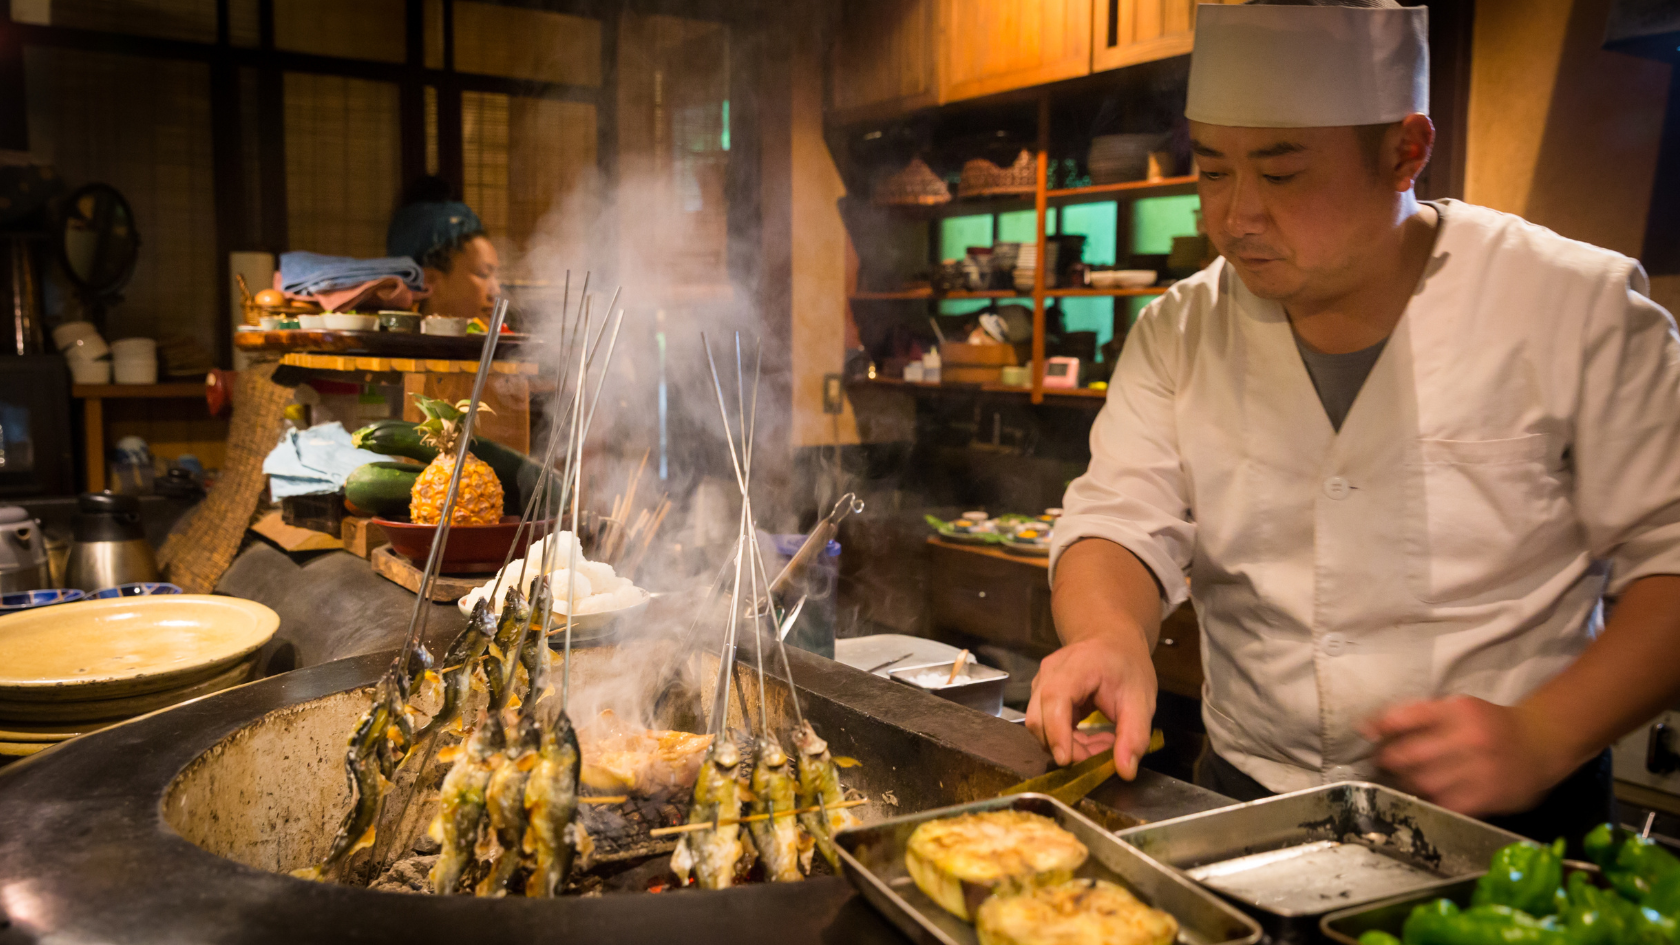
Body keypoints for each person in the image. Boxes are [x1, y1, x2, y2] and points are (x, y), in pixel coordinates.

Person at [1026, 0, 1680, 846]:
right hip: (1248, 806)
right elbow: (1116, 521)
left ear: (1406, 150)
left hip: (1515, 832)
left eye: (1282, 171)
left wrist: (1543, 733)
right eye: (1213, 169)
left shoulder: (1573, 306)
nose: (1235, 217)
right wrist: (1110, 634)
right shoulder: (1178, 330)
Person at [386, 176, 501, 322]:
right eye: (483, 273)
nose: (496, 290)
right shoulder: (392, 343)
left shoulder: (497, 341)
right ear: (429, 280)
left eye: (495, 276)